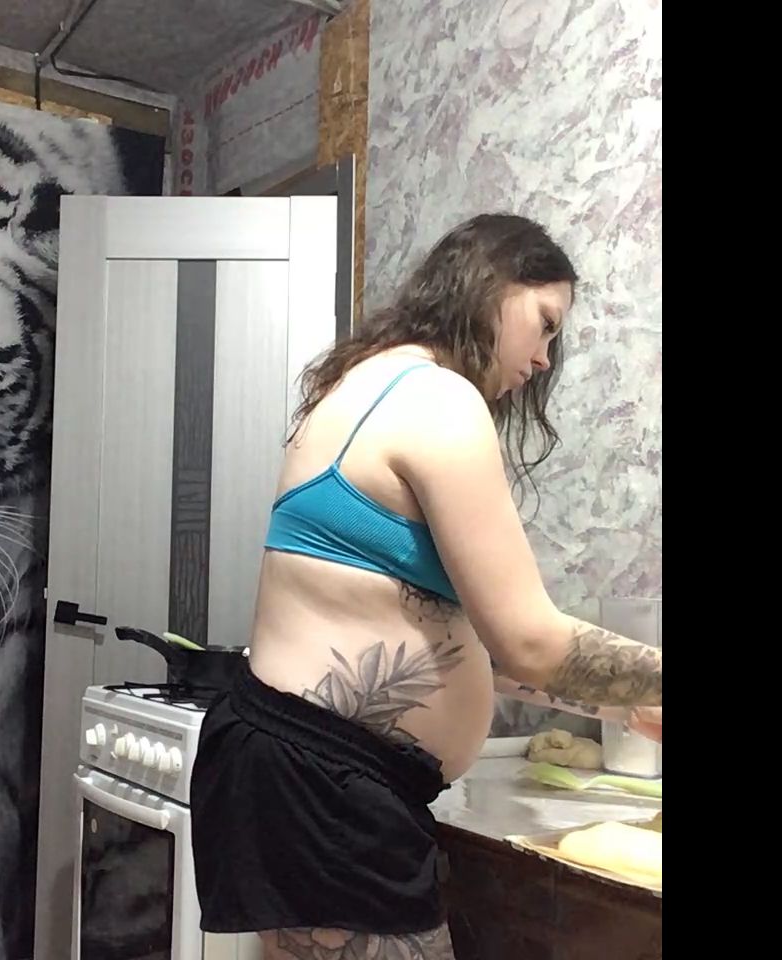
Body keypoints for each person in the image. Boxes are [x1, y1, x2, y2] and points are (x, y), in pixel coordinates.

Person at [191, 213, 662, 960]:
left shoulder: (376, 384)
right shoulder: (435, 398)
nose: (545, 357)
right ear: (491, 284)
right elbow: (530, 640)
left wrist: (625, 701)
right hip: (325, 786)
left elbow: (463, 636)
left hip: (311, 773)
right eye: (544, 323)